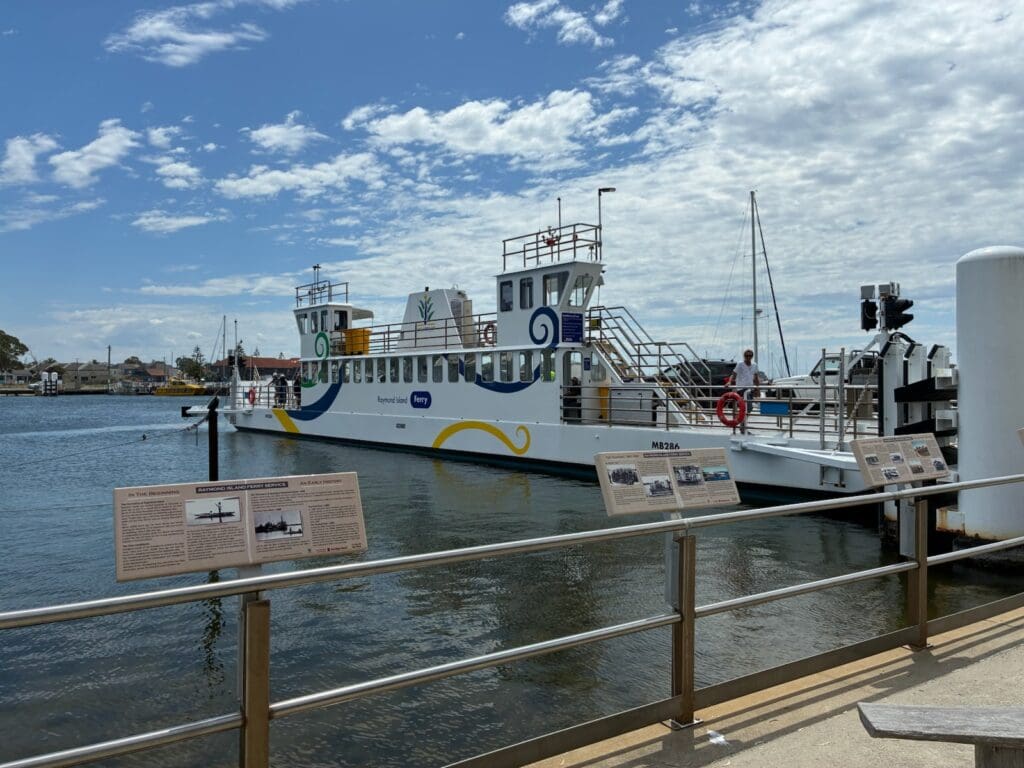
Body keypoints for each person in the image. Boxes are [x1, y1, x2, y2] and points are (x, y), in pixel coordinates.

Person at [728, 349, 760, 433]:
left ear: (752, 356)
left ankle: (742, 424)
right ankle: (742, 425)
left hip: (751, 389)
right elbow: (733, 374)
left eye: (750, 356)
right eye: (746, 356)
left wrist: (757, 389)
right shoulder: (740, 364)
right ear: (744, 356)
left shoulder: (754, 365)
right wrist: (729, 382)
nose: (748, 357)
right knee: (748, 407)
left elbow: (756, 378)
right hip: (741, 389)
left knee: (748, 408)